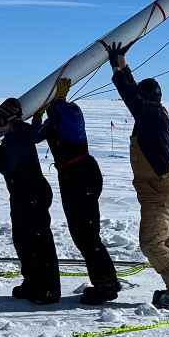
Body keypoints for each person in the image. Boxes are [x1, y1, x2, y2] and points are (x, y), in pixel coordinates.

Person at [102, 40, 169, 310]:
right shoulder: (151, 114)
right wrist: (120, 65)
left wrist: (119, 65)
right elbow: (134, 97)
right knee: (164, 241)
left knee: (152, 243)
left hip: (158, 189)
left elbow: (130, 95)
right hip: (157, 188)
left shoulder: (151, 114)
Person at [32, 78, 121, 305]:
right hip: (76, 175)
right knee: (84, 233)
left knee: (86, 233)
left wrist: (58, 101)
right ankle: (107, 279)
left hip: (79, 176)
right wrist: (38, 115)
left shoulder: (71, 113)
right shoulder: (56, 121)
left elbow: (63, 119)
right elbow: (35, 136)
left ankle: (106, 285)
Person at [0, 97, 61, 304]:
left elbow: (7, 167)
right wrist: (37, 117)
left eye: (0, 119)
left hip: (30, 195)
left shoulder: (15, 137)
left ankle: (47, 290)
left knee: (37, 242)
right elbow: (37, 133)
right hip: (26, 194)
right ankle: (33, 283)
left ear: (6, 119)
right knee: (24, 241)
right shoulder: (23, 131)